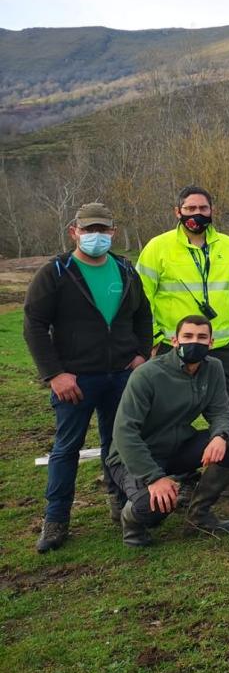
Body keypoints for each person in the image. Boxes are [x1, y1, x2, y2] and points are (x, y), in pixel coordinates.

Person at [23, 202, 152, 553]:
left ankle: (121, 502)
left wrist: (141, 353)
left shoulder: (125, 270)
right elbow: (34, 324)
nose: (96, 236)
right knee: (67, 448)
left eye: (102, 230)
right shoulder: (57, 272)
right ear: (74, 231)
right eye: (89, 229)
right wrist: (54, 373)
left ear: (113, 232)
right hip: (76, 381)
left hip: (122, 375)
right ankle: (56, 520)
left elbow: (142, 315)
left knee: (120, 444)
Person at [106, 315, 229, 547]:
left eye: (202, 337)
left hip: (175, 447)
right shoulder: (147, 374)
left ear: (211, 343)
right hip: (133, 457)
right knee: (152, 508)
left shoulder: (214, 368)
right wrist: (154, 478)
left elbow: (221, 411)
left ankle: (199, 514)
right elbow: (124, 432)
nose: (195, 342)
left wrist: (221, 436)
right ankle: (130, 521)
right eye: (188, 336)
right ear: (174, 341)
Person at [137, 185, 229, 425]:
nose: (196, 213)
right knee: (168, 413)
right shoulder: (158, 247)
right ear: (177, 212)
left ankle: (227, 459)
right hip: (173, 345)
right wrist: (155, 338)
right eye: (190, 208)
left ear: (212, 211)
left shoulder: (228, 246)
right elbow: (141, 298)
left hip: (222, 344)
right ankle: (173, 461)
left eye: (203, 208)